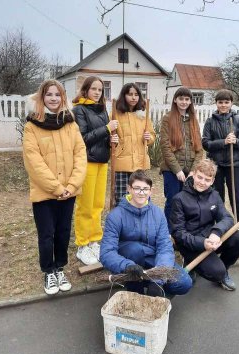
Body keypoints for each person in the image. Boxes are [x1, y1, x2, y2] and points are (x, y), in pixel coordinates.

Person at [23, 80, 87, 295]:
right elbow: (34, 162)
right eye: (48, 94)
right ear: (41, 98)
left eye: (57, 95)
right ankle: (48, 271)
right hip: (45, 193)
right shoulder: (32, 126)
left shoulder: (71, 124)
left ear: (63, 98)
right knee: (47, 233)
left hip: (69, 191)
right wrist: (57, 188)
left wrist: (72, 185)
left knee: (63, 232)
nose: (53, 98)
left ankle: (60, 267)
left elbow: (80, 155)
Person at [100, 170, 193, 297]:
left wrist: (159, 278)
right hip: (129, 261)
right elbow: (106, 252)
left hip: (153, 259)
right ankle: (134, 289)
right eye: (137, 188)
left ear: (151, 191)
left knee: (184, 282)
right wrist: (127, 266)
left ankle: (154, 290)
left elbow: (165, 247)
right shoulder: (115, 216)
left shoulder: (158, 214)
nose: (141, 193)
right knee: (135, 249)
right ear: (129, 189)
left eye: (145, 189)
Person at [170, 159, 239, 291]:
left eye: (207, 180)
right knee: (216, 272)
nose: (202, 182)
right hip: (190, 244)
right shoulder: (179, 199)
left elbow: (227, 218)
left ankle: (224, 270)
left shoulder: (214, 196)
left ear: (212, 181)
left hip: (211, 240)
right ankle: (192, 264)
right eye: (199, 177)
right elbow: (178, 233)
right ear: (193, 174)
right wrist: (202, 243)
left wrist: (216, 232)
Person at [72, 76, 119, 266]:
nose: (98, 92)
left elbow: (102, 137)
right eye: (94, 89)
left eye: (100, 89)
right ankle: (82, 244)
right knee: (86, 205)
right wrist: (107, 129)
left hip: (102, 162)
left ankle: (94, 240)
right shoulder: (79, 110)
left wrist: (111, 140)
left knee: (98, 204)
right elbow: (83, 138)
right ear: (86, 90)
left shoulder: (102, 110)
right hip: (87, 162)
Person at [202, 89, 239, 236]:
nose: (223, 105)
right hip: (215, 166)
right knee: (217, 199)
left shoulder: (238, 121)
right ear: (216, 103)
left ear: (231, 103)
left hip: (234, 165)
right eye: (220, 102)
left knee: (238, 200)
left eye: (226, 102)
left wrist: (236, 141)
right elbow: (205, 143)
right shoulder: (210, 121)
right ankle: (218, 231)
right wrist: (223, 142)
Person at [160, 86, 203, 226]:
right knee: (172, 201)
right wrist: (177, 170)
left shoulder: (193, 120)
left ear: (190, 101)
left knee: (187, 203)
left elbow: (199, 148)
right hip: (172, 170)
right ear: (175, 100)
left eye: (187, 99)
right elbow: (165, 146)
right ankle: (167, 234)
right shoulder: (167, 118)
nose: (184, 102)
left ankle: (181, 234)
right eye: (181, 98)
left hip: (189, 170)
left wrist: (193, 170)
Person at [113, 83, 155, 205]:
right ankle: (122, 222)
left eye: (136, 94)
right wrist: (112, 140)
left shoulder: (143, 115)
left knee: (141, 198)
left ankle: (140, 222)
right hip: (122, 162)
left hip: (140, 162)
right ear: (124, 95)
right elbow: (110, 137)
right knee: (122, 198)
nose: (133, 97)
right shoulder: (116, 114)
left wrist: (149, 137)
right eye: (130, 94)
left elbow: (152, 136)